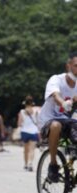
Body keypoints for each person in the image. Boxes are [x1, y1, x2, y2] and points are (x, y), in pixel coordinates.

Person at [39, 52, 77, 182]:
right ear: (68, 66)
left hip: (69, 121)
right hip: (49, 120)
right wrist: (63, 103)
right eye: (76, 66)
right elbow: (55, 96)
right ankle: (53, 165)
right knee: (56, 125)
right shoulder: (56, 79)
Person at [17, 95, 39, 172]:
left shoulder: (22, 112)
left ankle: (26, 164)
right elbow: (38, 121)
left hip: (25, 131)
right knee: (32, 149)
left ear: (25, 103)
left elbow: (19, 123)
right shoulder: (35, 111)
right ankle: (30, 163)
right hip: (34, 131)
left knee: (26, 150)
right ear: (32, 103)